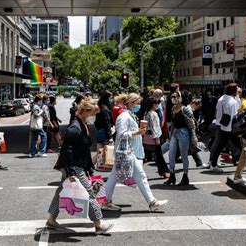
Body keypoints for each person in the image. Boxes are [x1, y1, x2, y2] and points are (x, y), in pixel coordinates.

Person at [46, 97, 113, 235]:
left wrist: (89, 163)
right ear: (86, 111)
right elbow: (67, 150)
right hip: (74, 167)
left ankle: (51, 220)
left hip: (75, 165)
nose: (94, 116)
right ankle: (98, 224)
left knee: (60, 193)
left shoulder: (82, 123)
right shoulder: (75, 127)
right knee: (89, 194)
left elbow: (81, 149)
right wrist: (71, 172)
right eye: (93, 113)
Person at [104, 93, 168, 212]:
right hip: (126, 151)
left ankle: (106, 201)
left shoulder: (130, 115)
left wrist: (137, 132)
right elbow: (121, 134)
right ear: (131, 103)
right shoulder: (124, 117)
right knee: (140, 176)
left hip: (128, 151)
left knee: (115, 176)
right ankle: (152, 202)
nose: (139, 105)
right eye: (138, 103)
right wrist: (137, 132)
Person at [163, 92, 198, 186]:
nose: (173, 98)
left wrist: (194, 137)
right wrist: (170, 135)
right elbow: (173, 123)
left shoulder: (185, 109)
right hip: (175, 133)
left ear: (181, 98)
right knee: (171, 154)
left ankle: (185, 176)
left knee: (184, 155)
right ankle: (172, 176)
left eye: (175, 97)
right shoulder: (173, 108)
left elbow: (192, 124)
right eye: (172, 96)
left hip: (184, 133)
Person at [209, 83, 240, 172]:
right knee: (238, 145)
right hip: (230, 127)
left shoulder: (221, 99)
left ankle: (213, 163)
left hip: (221, 124)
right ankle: (241, 163)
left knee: (219, 145)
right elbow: (235, 115)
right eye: (237, 89)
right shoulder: (232, 101)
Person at [144, 96, 170, 178]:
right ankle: (165, 171)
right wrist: (157, 138)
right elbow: (155, 127)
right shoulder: (154, 114)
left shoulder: (146, 113)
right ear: (153, 104)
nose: (157, 105)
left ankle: (162, 171)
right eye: (156, 103)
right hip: (154, 137)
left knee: (152, 155)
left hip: (147, 136)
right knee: (159, 155)